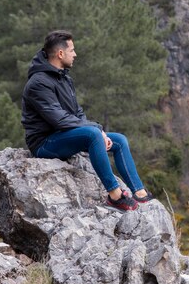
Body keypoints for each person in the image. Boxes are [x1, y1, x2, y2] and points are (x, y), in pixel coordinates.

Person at [21, 30, 152, 211]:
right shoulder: (38, 83)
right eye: (72, 50)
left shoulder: (64, 77)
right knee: (92, 134)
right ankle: (115, 195)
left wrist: (99, 130)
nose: (75, 54)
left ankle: (140, 193)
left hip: (64, 135)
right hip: (44, 143)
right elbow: (59, 119)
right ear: (60, 54)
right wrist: (96, 130)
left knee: (119, 140)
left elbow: (77, 112)